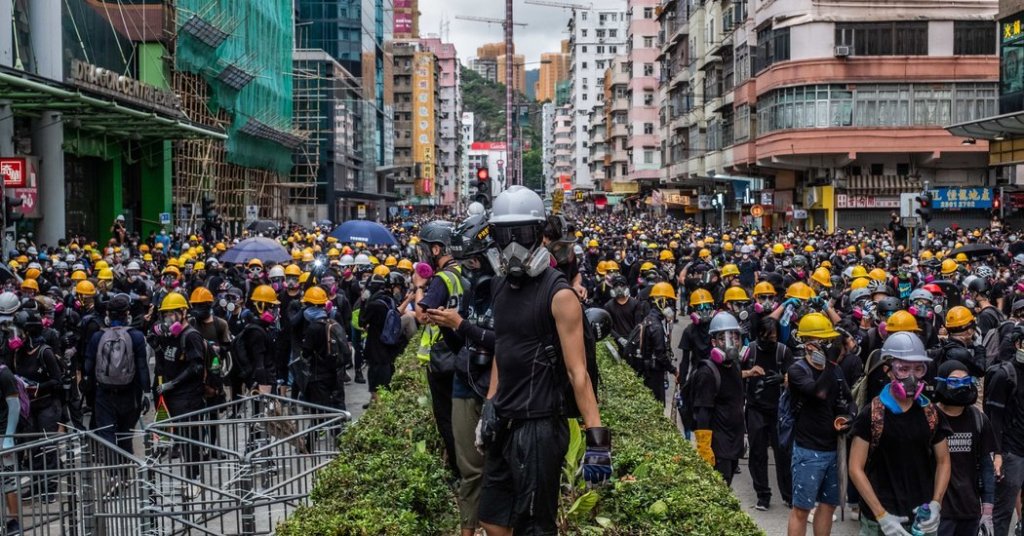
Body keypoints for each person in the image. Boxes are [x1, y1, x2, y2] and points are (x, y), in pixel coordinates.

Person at [477, 186, 608, 535]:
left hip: (539, 426)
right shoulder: (500, 286)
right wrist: (490, 403)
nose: (512, 243)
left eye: (520, 233)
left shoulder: (560, 294)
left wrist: (597, 439)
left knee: (535, 527)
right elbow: (502, 351)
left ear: (539, 234)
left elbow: (578, 372)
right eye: (504, 235)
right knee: (492, 517)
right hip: (504, 420)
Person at [849, 331, 952, 536]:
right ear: (888, 370)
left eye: (918, 368)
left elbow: (943, 461)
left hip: (920, 519)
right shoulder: (872, 413)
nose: (912, 377)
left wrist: (936, 504)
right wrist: (881, 516)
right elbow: (855, 467)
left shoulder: (930, 413)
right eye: (903, 369)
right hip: (878, 520)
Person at [785, 312, 853, 536]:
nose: (826, 347)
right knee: (802, 509)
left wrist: (848, 418)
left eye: (829, 342)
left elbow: (848, 401)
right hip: (808, 451)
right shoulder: (797, 371)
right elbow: (819, 393)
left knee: (828, 505)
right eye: (821, 342)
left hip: (834, 449)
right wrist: (831, 363)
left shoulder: (836, 371)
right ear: (807, 344)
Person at [413, 220, 467, 478]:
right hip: (464, 352)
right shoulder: (464, 271)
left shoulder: (441, 279)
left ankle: (459, 470)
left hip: (443, 359)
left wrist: (420, 285)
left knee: (447, 419)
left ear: (436, 249)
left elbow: (421, 315)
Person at [151, 292, 208, 498]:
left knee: (190, 440)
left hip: (188, 396)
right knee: (180, 440)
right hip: (172, 397)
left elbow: (196, 366)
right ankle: (187, 479)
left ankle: (195, 480)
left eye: (171, 314)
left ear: (183, 313)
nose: (168, 319)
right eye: (165, 315)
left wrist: (173, 383)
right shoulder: (169, 337)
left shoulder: (191, 336)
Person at [933, 360, 996, 536]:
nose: (961, 386)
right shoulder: (930, 419)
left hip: (969, 510)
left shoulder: (979, 420)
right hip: (938, 511)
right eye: (954, 381)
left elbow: (986, 466)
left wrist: (988, 509)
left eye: (965, 381)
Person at [83, 293, 149, 454]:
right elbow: (142, 368)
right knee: (125, 437)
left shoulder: (97, 337)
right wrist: (146, 393)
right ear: (127, 315)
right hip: (129, 395)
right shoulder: (136, 337)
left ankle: (113, 475)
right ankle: (126, 475)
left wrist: (89, 396)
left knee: (107, 436)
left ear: (107, 315)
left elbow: (88, 369)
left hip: (104, 395)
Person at [744, 317, 793, 510]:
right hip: (755, 408)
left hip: (778, 410)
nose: (768, 341)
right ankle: (762, 494)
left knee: (783, 454)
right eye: (764, 337)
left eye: (772, 337)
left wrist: (783, 378)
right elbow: (734, 372)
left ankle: (788, 494)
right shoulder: (750, 351)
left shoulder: (783, 351)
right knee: (757, 452)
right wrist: (749, 373)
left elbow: (794, 376)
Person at [692, 311, 745, 486]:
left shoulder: (735, 366)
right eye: (724, 338)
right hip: (718, 445)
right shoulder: (707, 372)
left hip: (734, 442)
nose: (732, 343)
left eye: (735, 337)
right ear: (713, 342)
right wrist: (704, 447)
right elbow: (703, 412)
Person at [298, 286, 351, 411]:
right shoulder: (332, 321)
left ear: (313, 306)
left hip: (319, 375)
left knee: (321, 410)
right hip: (335, 371)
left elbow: (306, 352)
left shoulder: (313, 328)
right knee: (336, 406)